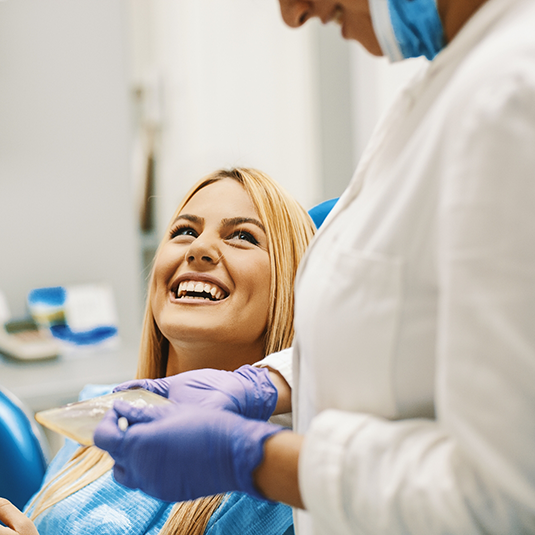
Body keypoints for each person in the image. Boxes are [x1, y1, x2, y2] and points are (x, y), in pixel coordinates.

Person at [92, 0, 535, 533]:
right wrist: (267, 384)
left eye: (243, 237)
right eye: (183, 229)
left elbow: (506, 496)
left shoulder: (512, 95)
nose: (292, 14)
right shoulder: (451, 83)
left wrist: (253, 457)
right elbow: (400, 345)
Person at [0, 167, 315, 535]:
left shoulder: (283, 488)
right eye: (184, 231)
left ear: (294, 285)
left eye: (243, 236)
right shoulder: (97, 413)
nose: (199, 248)